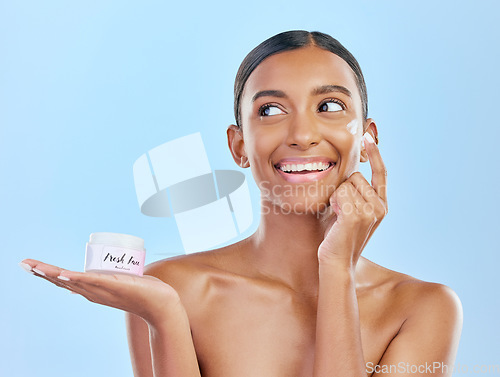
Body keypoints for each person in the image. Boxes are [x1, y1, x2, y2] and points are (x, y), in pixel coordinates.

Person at [20, 30, 463, 376]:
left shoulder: (423, 309)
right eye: (271, 110)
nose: (302, 134)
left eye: (329, 105)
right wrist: (166, 318)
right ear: (239, 146)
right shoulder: (170, 290)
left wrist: (336, 269)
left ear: (367, 139)